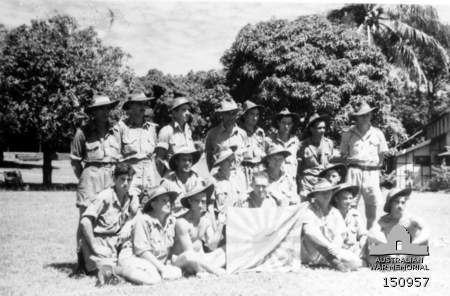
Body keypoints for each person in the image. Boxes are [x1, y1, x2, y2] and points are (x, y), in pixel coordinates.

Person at [70, 94, 121, 274]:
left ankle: (103, 259)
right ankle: (81, 263)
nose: (105, 112)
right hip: (90, 176)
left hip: (111, 176)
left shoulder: (116, 131)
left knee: (109, 217)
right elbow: (75, 161)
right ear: (93, 112)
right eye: (101, 108)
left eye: (107, 108)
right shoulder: (82, 132)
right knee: (86, 219)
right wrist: (86, 178)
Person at [79, 163, 136, 277]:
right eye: (122, 179)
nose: (126, 183)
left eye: (129, 180)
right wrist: (95, 246)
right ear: (114, 179)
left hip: (118, 243)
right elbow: (85, 221)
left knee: (131, 264)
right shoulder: (105, 196)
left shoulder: (131, 197)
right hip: (101, 242)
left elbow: (138, 216)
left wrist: (128, 224)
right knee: (108, 271)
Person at [117, 186, 182, 285]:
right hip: (135, 258)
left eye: (169, 201)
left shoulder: (171, 222)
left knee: (177, 272)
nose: (168, 204)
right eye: (163, 201)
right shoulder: (142, 220)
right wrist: (162, 268)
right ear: (153, 204)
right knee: (153, 279)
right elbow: (142, 252)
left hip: (153, 263)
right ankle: (118, 271)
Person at [340, 101, 389, 229]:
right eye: (362, 115)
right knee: (350, 205)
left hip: (371, 173)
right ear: (356, 117)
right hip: (354, 172)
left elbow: (382, 155)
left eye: (368, 114)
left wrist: (375, 168)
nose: (365, 117)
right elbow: (343, 155)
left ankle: (369, 237)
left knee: (372, 208)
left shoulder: (378, 133)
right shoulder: (348, 134)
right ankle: (349, 235)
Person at [301, 179, 362, 271]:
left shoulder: (335, 211)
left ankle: (330, 261)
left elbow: (341, 233)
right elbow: (309, 231)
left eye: (328, 192)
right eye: (322, 193)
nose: (326, 195)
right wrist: (328, 245)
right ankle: (334, 263)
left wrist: (336, 246)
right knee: (315, 234)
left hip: (331, 251)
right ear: (316, 195)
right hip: (310, 252)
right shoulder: (308, 209)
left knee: (356, 262)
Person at [172, 181, 227, 276]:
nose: (201, 205)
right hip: (182, 261)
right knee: (189, 254)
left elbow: (212, 246)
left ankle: (203, 270)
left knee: (227, 249)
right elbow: (189, 253)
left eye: (204, 202)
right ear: (190, 202)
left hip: (200, 261)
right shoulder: (181, 222)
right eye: (197, 201)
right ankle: (208, 270)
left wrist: (220, 224)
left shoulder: (205, 221)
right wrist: (213, 270)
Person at [115, 91, 159, 200]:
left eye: (144, 104)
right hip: (130, 177)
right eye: (139, 104)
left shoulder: (151, 128)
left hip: (149, 177)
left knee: (149, 210)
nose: (143, 107)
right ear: (130, 107)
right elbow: (115, 156)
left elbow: (154, 155)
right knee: (129, 208)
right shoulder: (121, 128)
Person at [298, 113, 335, 201]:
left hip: (324, 183)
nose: (322, 130)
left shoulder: (329, 143)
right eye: (319, 128)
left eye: (324, 128)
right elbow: (298, 168)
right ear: (312, 129)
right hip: (307, 184)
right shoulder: (302, 145)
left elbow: (330, 162)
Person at [205, 98, 246, 171]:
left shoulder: (242, 134)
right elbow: (209, 160)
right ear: (222, 115)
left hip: (238, 177)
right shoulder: (212, 135)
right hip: (220, 177)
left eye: (234, 113)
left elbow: (245, 158)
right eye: (228, 113)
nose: (231, 116)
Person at [161, 145, 202, 215]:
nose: (187, 163)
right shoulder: (167, 182)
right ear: (177, 162)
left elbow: (203, 207)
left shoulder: (198, 181)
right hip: (175, 221)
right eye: (184, 160)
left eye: (190, 160)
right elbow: (162, 209)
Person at [331, 183, 367, 262]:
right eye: (345, 198)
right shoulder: (331, 214)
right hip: (337, 250)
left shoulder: (355, 214)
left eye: (350, 198)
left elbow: (363, 235)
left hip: (353, 250)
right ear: (336, 199)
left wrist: (362, 245)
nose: (348, 201)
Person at [267, 108, 301, 181]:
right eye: (283, 123)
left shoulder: (295, 141)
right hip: (273, 183)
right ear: (278, 123)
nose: (286, 126)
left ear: (292, 124)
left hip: (290, 184)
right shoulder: (269, 140)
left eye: (289, 124)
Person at [239, 100, 267, 185]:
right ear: (245, 115)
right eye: (252, 114)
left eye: (257, 115)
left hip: (258, 171)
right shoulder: (238, 132)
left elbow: (263, 151)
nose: (255, 118)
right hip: (243, 171)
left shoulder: (260, 132)